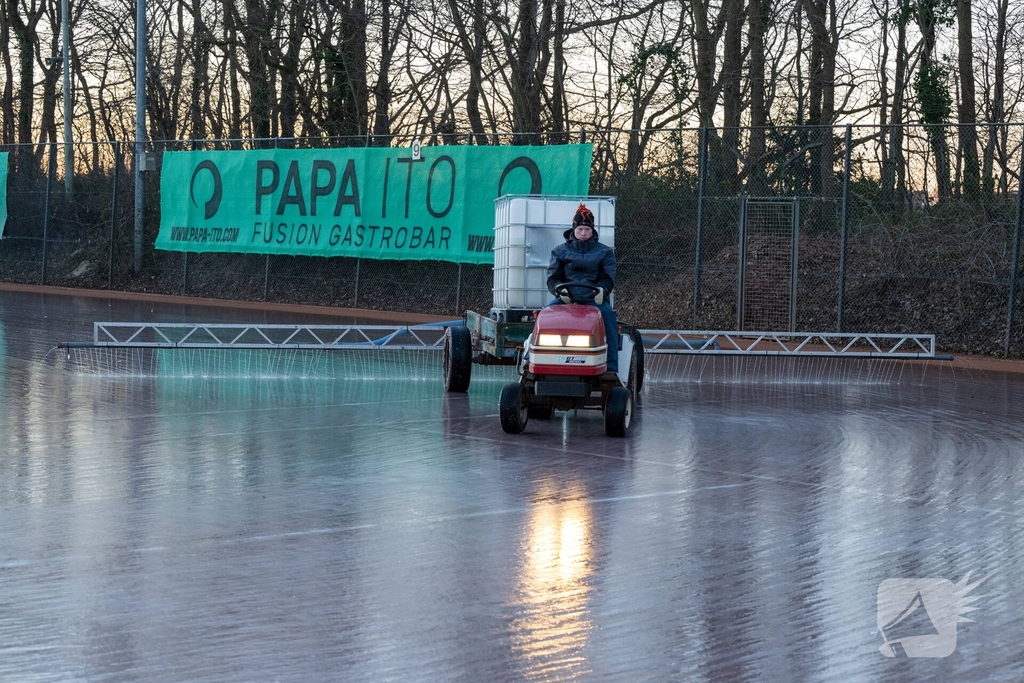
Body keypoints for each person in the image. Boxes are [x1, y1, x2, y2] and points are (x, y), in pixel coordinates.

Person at [545, 203, 619, 373]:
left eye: (587, 229)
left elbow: (608, 277)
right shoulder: (559, 251)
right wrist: (559, 290)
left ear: (593, 230)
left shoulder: (605, 252)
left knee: (608, 317)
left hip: (594, 299)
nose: (583, 233)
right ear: (574, 229)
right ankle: (532, 358)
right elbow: (553, 278)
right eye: (580, 229)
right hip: (566, 298)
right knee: (545, 315)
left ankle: (611, 367)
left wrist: (602, 290)